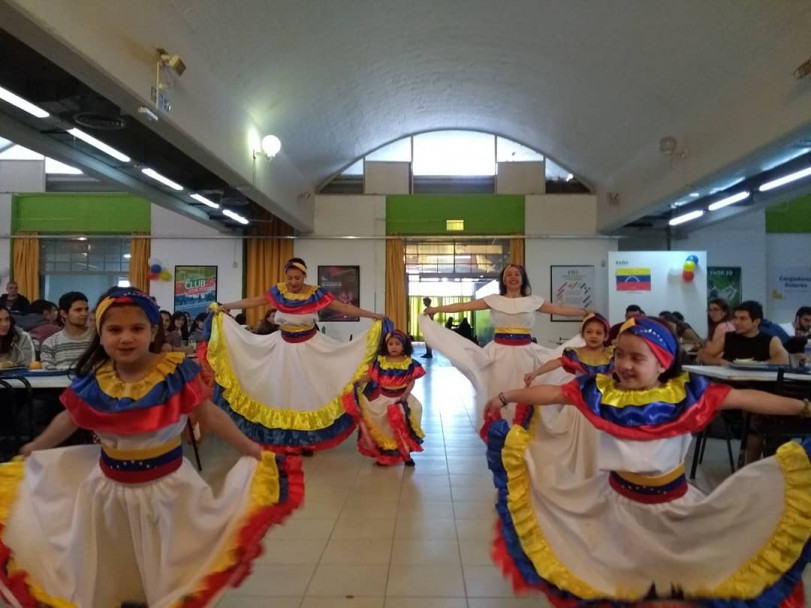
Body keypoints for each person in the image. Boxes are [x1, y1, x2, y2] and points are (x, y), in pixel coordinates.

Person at [0, 288, 302, 607]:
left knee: (168, 561)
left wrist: (248, 448)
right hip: (107, 493)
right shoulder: (94, 380)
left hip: (169, 490)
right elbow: (70, 418)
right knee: (114, 561)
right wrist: (36, 445)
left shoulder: (175, 373)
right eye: (114, 330)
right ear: (99, 334)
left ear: (153, 331)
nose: (126, 337)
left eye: (137, 329)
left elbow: (208, 414)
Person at [483, 316, 811, 605]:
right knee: (615, 578)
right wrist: (505, 396)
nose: (625, 364)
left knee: (682, 579)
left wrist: (804, 408)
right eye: (620, 355)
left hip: (675, 508)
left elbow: (746, 398)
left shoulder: (688, 395)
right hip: (613, 505)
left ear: (663, 362)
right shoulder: (600, 392)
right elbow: (553, 394)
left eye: (637, 357)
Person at [200, 257, 385, 453]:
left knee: (307, 393)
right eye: (290, 278)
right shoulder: (278, 291)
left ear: (304, 276)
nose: (293, 282)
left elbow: (342, 307)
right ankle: (286, 439)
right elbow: (254, 301)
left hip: (310, 347)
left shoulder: (316, 293)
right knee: (283, 391)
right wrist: (226, 306)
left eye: (297, 278)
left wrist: (372, 315)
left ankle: (305, 439)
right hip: (282, 347)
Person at [420, 263, 590, 428]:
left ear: (523, 279)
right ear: (503, 279)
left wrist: (584, 313)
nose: (513, 277)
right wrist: (436, 309)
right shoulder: (493, 300)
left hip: (527, 354)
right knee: (499, 391)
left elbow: (558, 309)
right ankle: (500, 431)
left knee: (525, 391)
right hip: (498, 354)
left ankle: (523, 428)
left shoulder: (533, 301)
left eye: (517, 274)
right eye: (508, 274)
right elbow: (464, 306)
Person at [352, 329, 426, 467]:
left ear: (404, 346)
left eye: (397, 344)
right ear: (385, 346)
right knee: (385, 428)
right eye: (390, 344)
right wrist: (356, 380)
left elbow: (411, 380)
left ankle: (406, 455)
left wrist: (406, 393)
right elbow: (370, 376)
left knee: (403, 428)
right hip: (382, 399)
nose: (394, 347)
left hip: (402, 400)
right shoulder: (380, 362)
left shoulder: (409, 363)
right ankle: (386, 454)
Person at [523, 312, 613, 385]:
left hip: (606, 399)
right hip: (579, 397)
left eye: (598, 333)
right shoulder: (575, 354)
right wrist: (536, 373)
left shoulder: (612, 354)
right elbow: (556, 362)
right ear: (583, 334)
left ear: (606, 336)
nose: (593, 336)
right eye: (589, 332)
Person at [700, 300, 789, 365]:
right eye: (735, 318)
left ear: (756, 322)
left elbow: (784, 359)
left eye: (743, 319)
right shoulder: (727, 337)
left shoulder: (771, 340)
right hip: (729, 383)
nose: (736, 322)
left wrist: (759, 365)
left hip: (758, 385)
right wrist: (719, 361)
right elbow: (705, 355)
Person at [40, 292, 94, 370]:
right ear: (64, 313)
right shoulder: (50, 343)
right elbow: (49, 375)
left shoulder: (98, 338)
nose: (84, 313)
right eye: (78, 310)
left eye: (86, 309)